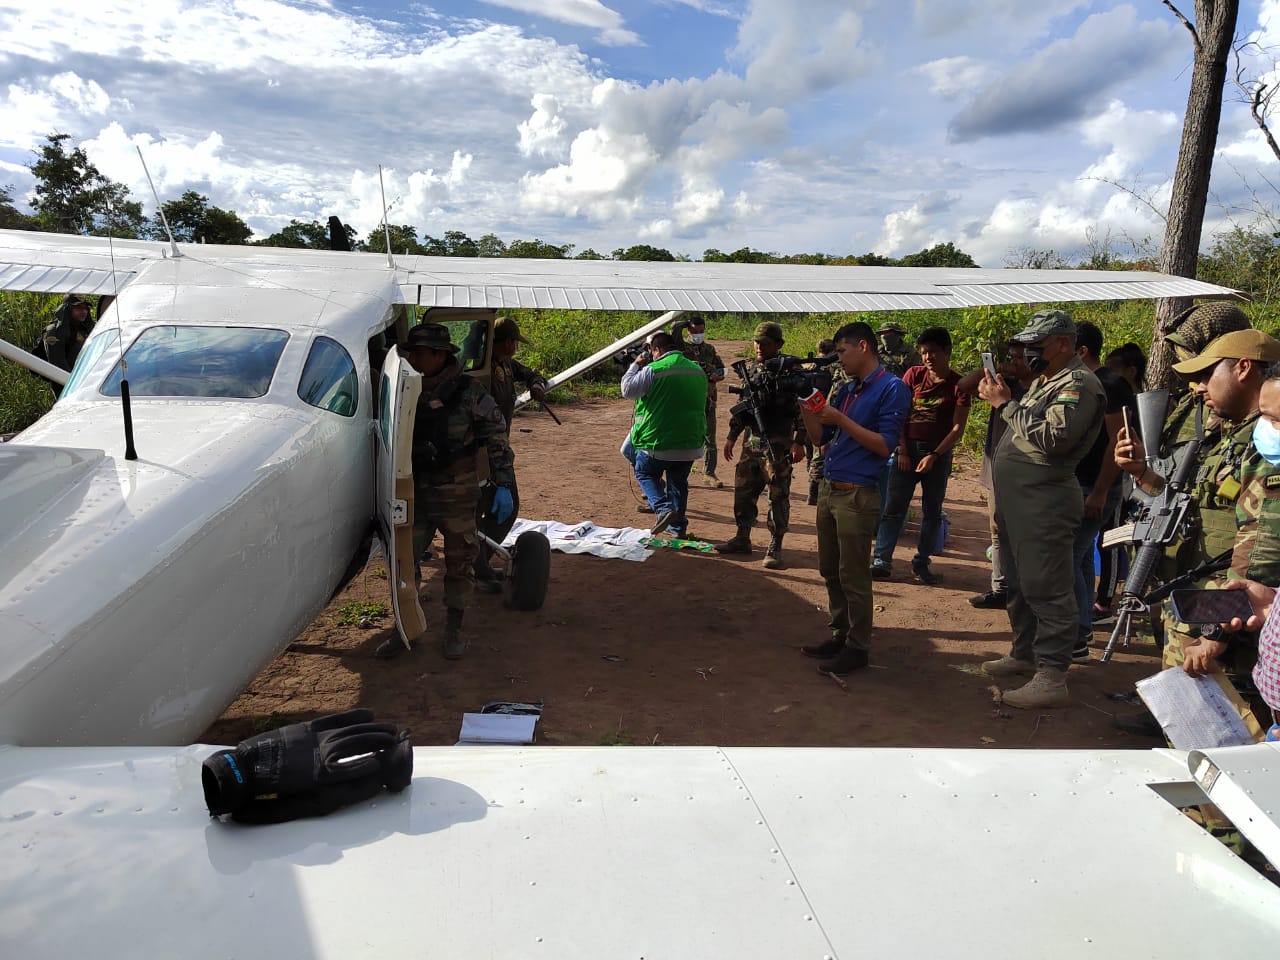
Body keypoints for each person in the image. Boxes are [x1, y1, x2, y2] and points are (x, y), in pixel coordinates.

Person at [1112, 330, 1280, 733]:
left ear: (1243, 369)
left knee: (1228, 739)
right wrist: (1142, 474)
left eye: (1206, 374)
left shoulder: (1267, 443)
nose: (1197, 386)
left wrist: (1215, 631)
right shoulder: (1230, 437)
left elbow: (1263, 549)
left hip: (1229, 611)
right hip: (1202, 596)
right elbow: (1200, 506)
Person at [977, 310, 1105, 709]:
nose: (1029, 353)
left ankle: (1052, 674)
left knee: (1048, 588)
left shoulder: (1079, 384)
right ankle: (1024, 652)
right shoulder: (1046, 381)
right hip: (1021, 503)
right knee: (1016, 581)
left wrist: (1006, 405)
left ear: (1063, 344)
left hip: (1045, 503)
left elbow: (1053, 438)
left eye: (1037, 346)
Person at [376, 323, 514, 661]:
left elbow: (497, 437)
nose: (413, 358)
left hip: (456, 495)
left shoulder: (469, 393)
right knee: (404, 564)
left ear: (439, 355)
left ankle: (454, 629)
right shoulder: (404, 389)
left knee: (459, 564)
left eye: (420, 353)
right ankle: (405, 627)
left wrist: (503, 483)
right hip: (414, 495)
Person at [798, 322, 911, 676]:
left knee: (854, 574)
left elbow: (884, 445)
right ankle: (841, 632)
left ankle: (858, 647)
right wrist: (807, 410)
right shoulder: (848, 390)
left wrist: (840, 419)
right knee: (829, 569)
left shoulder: (891, 389)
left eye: (843, 351)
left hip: (858, 494)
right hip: (831, 489)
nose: (839, 359)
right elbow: (820, 439)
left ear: (863, 346)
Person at [870, 327, 970, 585]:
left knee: (932, 511)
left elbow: (957, 428)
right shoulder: (913, 375)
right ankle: (881, 560)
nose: (928, 358)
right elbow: (897, 413)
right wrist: (902, 449)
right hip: (907, 451)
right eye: (924, 353)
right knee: (893, 509)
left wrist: (935, 455)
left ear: (947, 351)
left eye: (933, 352)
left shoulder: (959, 385)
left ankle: (922, 563)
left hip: (938, 455)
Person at [716, 322, 808, 568]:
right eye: (757, 342)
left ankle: (775, 544)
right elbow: (744, 405)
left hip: (779, 443)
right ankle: (742, 537)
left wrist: (799, 442)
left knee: (777, 496)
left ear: (778, 344)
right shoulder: (752, 369)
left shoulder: (790, 370)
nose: (759, 346)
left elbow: (804, 410)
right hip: (751, 443)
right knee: (743, 492)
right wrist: (732, 436)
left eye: (765, 343)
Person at [1068, 321, 1133, 661]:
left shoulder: (1110, 384)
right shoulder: (1085, 382)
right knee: (1077, 560)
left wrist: (1101, 492)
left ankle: (1078, 636)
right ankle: (1082, 629)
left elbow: (1116, 443)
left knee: (1071, 558)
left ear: (1081, 350)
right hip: (1081, 484)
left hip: (1094, 486)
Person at [474, 315, 549, 590]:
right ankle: (475, 566)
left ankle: (478, 564)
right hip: (484, 451)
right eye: (515, 342)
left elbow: (531, 374)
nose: (516, 347)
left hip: (498, 446)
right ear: (508, 343)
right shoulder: (481, 370)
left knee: (492, 508)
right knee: (502, 506)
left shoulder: (505, 364)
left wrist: (537, 385)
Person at [963, 342, 1033, 608]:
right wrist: (991, 371)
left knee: (1024, 533)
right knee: (997, 529)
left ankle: (1023, 592)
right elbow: (964, 387)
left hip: (1025, 473)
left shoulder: (1040, 390)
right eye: (1012, 357)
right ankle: (1000, 587)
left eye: (1020, 358)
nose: (1014, 362)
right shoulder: (1006, 384)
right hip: (998, 468)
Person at [620, 331, 707, 539]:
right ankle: (678, 529)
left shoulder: (653, 370)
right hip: (690, 442)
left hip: (657, 442)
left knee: (644, 472)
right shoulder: (697, 370)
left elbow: (627, 389)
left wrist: (635, 365)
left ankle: (661, 507)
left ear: (656, 350)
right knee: (678, 483)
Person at [1094, 342, 1148, 620]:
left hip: (1131, 479)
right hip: (1127, 475)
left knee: (1112, 539)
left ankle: (1105, 602)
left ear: (1131, 370)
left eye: (1114, 367)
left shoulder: (1141, 401)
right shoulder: (1118, 396)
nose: (1108, 372)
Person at [672, 313, 726, 488]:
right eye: (695, 331)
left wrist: (717, 375)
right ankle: (679, 474)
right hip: (688, 399)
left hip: (708, 398)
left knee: (710, 436)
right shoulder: (682, 348)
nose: (699, 335)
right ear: (688, 330)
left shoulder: (709, 349)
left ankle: (709, 472)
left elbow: (721, 368)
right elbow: (674, 331)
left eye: (701, 331)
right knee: (683, 437)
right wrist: (684, 323)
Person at [806, 338, 849, 505]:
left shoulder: (810, 365)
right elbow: (836, 392)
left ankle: (812, 491)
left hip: (809, 412)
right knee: (821, 453)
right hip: (826, 412)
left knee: (813, 453)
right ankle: (817, 492)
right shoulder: (836, 367)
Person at [39, 294, 95, 372]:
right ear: (67, 309)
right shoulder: (53, 331)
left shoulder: (85, 329)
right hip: (66, 380)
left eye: (85, 308)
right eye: (78, 308)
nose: (83, 311)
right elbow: (58, 364)